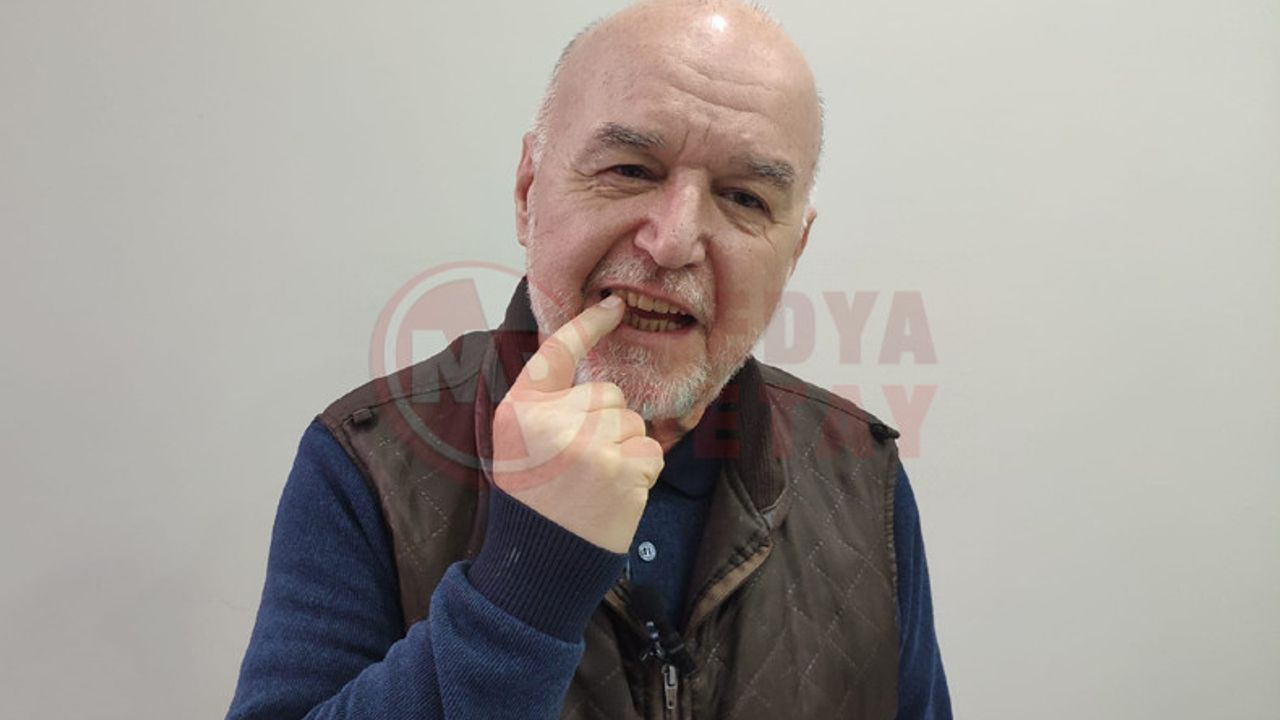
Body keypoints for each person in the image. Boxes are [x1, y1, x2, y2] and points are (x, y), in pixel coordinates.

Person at [227, 1, 951, 718]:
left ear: (793, 252)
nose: (674, 241)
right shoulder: (368, 461)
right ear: (527, 194)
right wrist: (526, 583)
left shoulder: (863, 474)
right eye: (631, 169)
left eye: (743, 197)